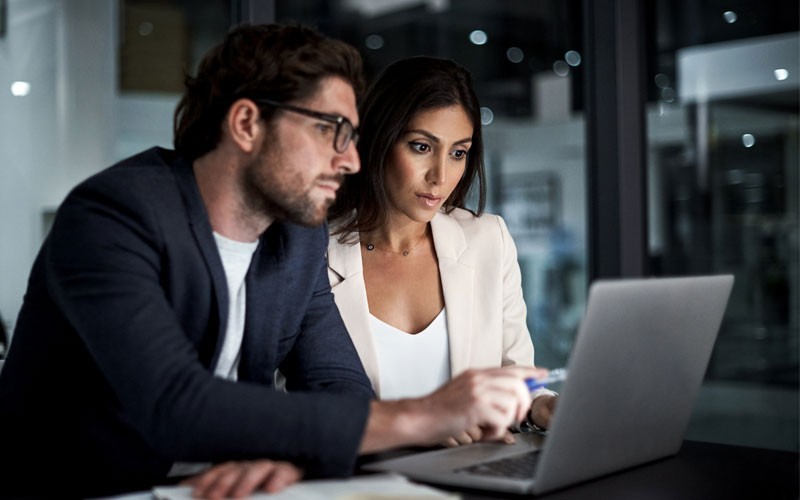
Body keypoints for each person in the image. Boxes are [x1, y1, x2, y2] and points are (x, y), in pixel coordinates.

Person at [0, 24, 543, 499]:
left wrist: (295, 451)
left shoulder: (296, 238)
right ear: (246, 124)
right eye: (331, 132)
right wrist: (425, 415)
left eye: (352, 137)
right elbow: (174, 402)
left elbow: (337, 384)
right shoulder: (112, 217)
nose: (351, 159)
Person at [327, 56, 557, 446]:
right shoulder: (314, 253)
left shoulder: (488, 239)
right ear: (379, 139)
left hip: (470, 475)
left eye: (458, 153)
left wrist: (542, 406)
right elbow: (291, 402)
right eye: (421, 146)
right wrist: (414, 428)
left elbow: (517, 374)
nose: (441, 176)